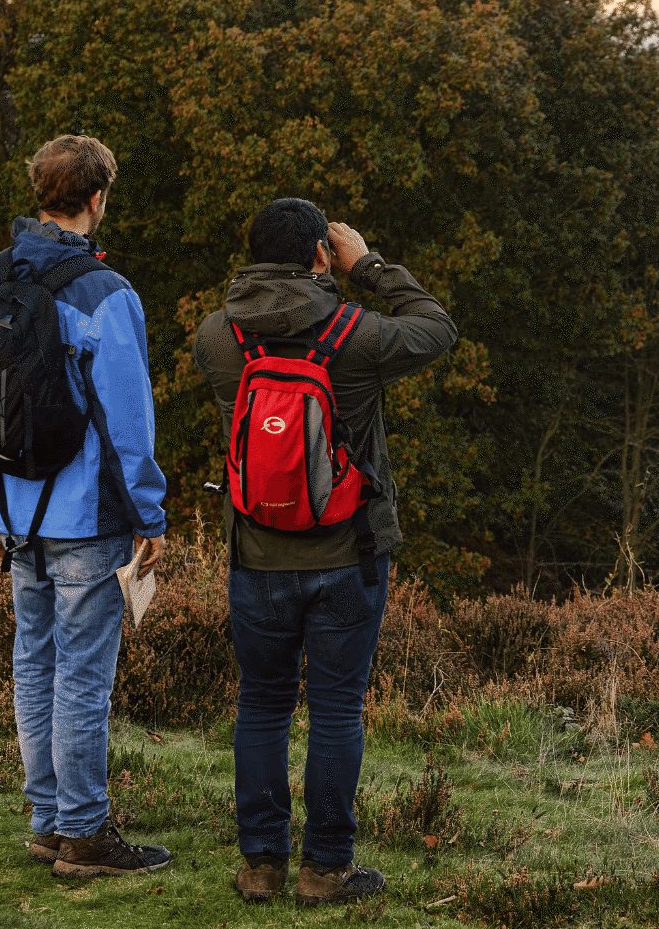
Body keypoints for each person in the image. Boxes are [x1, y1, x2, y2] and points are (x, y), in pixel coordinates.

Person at [192, 198, 457, 905]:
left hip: (256, 556)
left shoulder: (218, 337)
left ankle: (260, 867)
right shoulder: (357, 336)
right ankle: (326, 870)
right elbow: (437, 328)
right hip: (349, 553)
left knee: (262, 705)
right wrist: (367, 265)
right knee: (337, 708)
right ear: (319, 254)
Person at [0, 134, 171, 877]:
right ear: (97, 198)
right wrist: (150, 514)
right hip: (85, 514)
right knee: (83, 672)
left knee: (35, 661)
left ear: (41, 193)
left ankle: (50, 819)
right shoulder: (105, 292)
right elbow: (128, 419)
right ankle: (86, 835)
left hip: (15, 508)